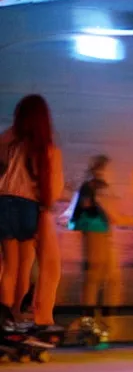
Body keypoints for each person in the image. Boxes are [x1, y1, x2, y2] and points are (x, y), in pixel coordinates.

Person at [0, 94, 64, 330]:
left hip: (3, 202)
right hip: (27, 205)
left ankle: (4, 318)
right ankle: (15, 315)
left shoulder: (9, 141)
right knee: (24, 266)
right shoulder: (43, 147)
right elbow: (49, 189)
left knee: (8, 266)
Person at [68, 155, 133, 314]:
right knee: (95, 275)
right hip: (95, 231)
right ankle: (91, 314)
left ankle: (104, 313)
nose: (112, 172)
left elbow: (111, 210)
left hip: (100, 231)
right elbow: (109, 212)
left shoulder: (94, 186)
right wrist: (128, 220)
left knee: (109, 275)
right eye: (109, 168)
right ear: (101, 169)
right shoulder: (94, 186)